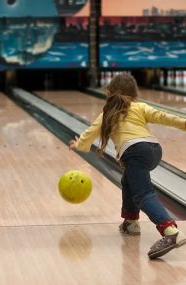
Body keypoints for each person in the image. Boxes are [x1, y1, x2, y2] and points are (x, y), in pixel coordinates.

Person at [69, 74, 186, 259]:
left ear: (109, 92)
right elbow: (164, 117)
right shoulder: (140, 107)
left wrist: (80, 145)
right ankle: (131, 222)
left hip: (135, 152)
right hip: (154, 150)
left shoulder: (108, 112)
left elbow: (90, 133)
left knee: (143, 194)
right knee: (129, 182)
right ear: (135, 93)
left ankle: (170, 232)